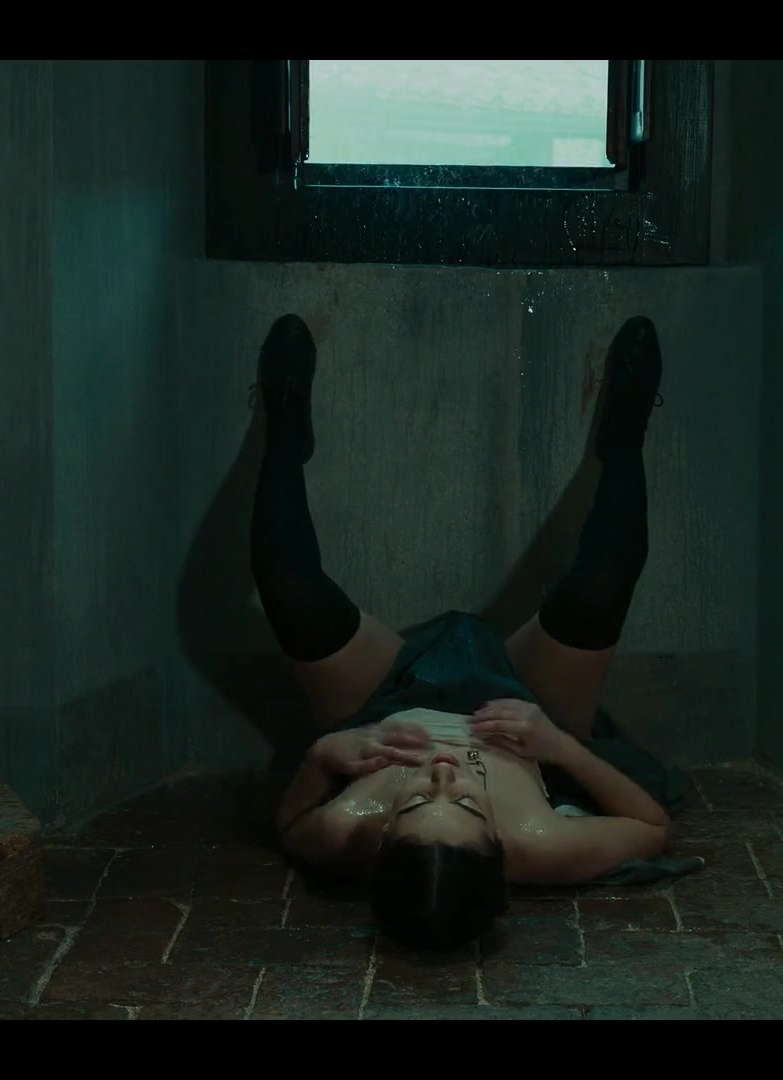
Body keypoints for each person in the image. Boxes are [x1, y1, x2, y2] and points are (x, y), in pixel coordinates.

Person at [255, 312, 674, 950]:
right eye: (470, 805)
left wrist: (325, 757)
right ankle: (625, 435)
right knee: (599, 585)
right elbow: (652, 827)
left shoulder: (348, 830)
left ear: (383, 839)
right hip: (525, 701)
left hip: (391, 693)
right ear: (501, 848)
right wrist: (560, 748)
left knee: (288, 584)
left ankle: (285, 431)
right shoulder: (537, 844)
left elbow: (290, 827)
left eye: (416, 802)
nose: (444, 776)